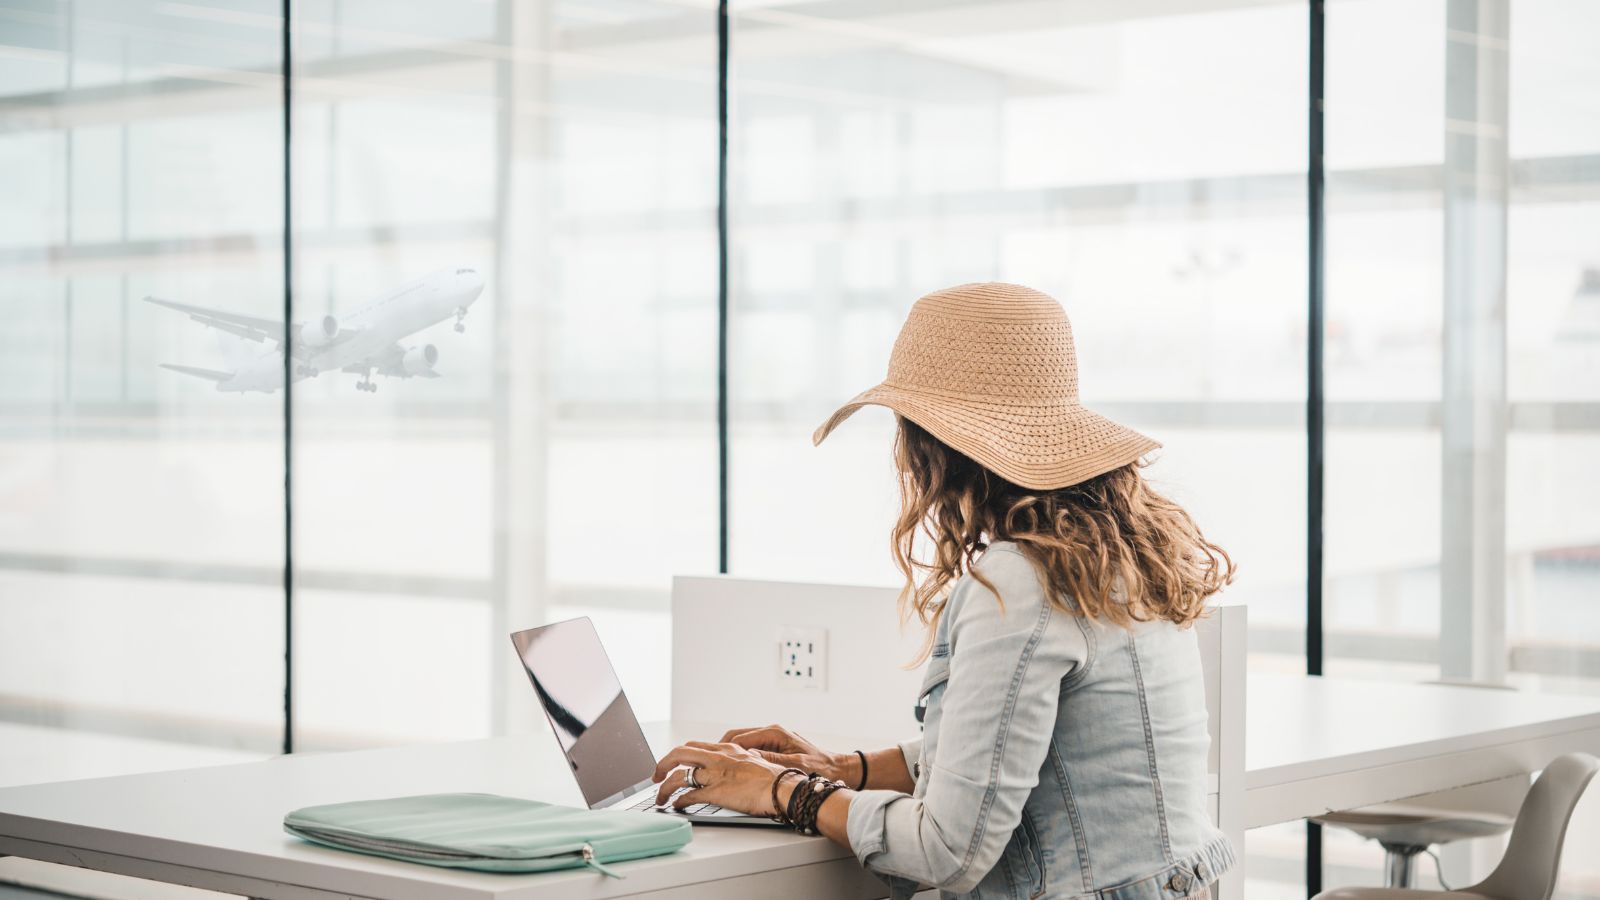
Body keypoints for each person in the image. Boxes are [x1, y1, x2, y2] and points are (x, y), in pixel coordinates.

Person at [651, 282, 1237, 899]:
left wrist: (780, 793)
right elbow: (1020, 750)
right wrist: (843, 769)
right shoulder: (1113, 555)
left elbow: (947, 851)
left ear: (932, 445)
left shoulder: (1021, 581)